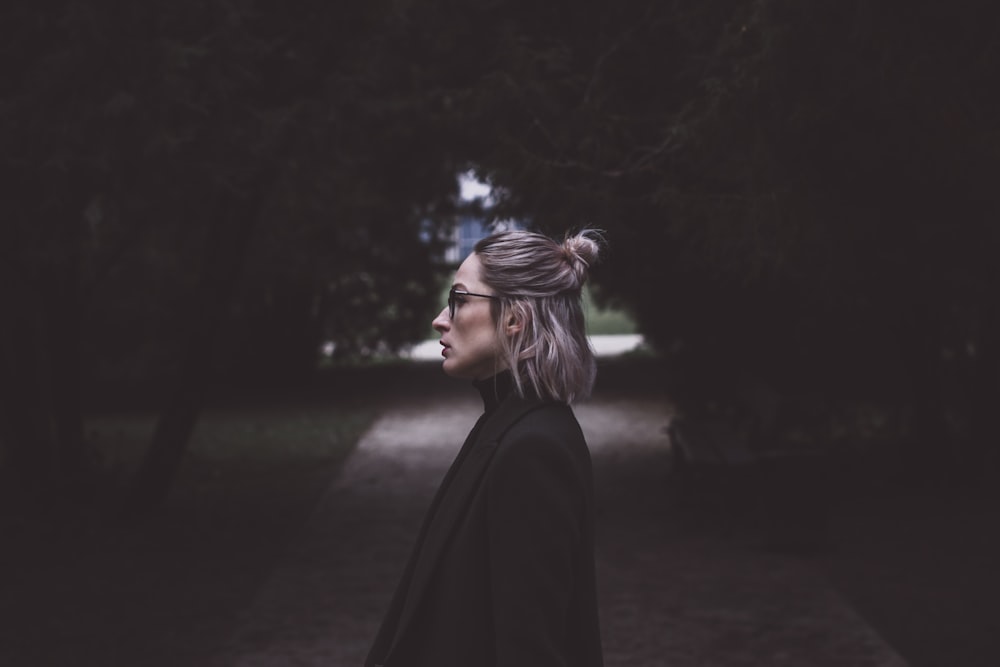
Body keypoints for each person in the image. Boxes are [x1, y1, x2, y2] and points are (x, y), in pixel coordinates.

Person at [365, 229, 605, 667]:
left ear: (514, 319)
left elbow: (531, 651)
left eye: (459, 299)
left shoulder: (531, 448)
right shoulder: (507, 425)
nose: (441, 318)